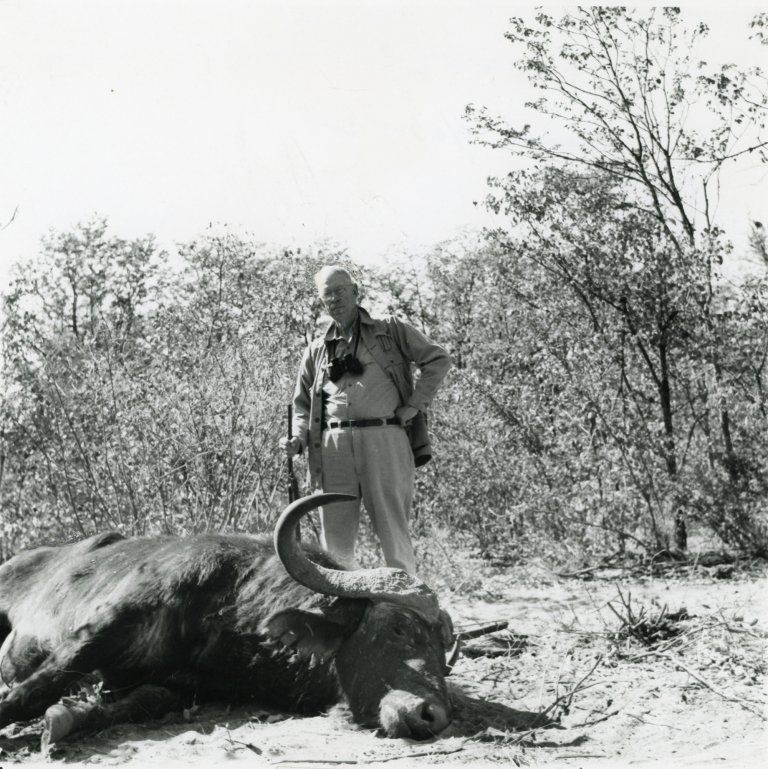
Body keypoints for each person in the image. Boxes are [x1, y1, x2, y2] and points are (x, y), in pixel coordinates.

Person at [280, 265, 451, 575]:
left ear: (356, 292)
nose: (334, 299)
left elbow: (438, 359)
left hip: (384, 438)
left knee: (392, 531)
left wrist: (414, 405)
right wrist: (297, 437)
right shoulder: (316, 350)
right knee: (334, 543)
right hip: (332, 449)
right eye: (327, 294)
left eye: (340, 291)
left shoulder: (391, 329)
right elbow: (302, 405)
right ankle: (340, 611)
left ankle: (406, 605)